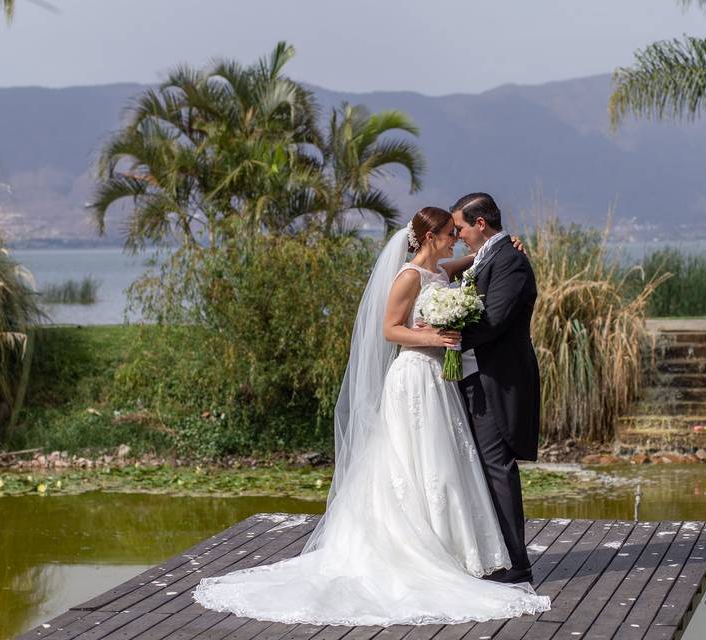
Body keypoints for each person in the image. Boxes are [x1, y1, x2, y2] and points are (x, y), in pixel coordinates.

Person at [192, 207, 550, 626]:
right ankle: (410, 552)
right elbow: (389, 330)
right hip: (413, 377)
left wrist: (505, 244)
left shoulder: (440, 270)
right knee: (411, 464)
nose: (456, 238)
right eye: (450, 233)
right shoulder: (408, 277)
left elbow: (477, 258)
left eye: (459, 232)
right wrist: (434, 338)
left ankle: (452, 551)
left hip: (438, 381)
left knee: (441, 467)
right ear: (431, 237)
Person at [450, 193, 541, 585]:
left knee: (497, 467)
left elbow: (495, 319)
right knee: (478, 467)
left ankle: (516, 562)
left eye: (460, 228)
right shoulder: (487, 257)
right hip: (473, 378)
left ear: (480, 224)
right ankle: (492, 554)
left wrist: (444, 336)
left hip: (496, 380)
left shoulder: (511, 262)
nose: (458, 235)